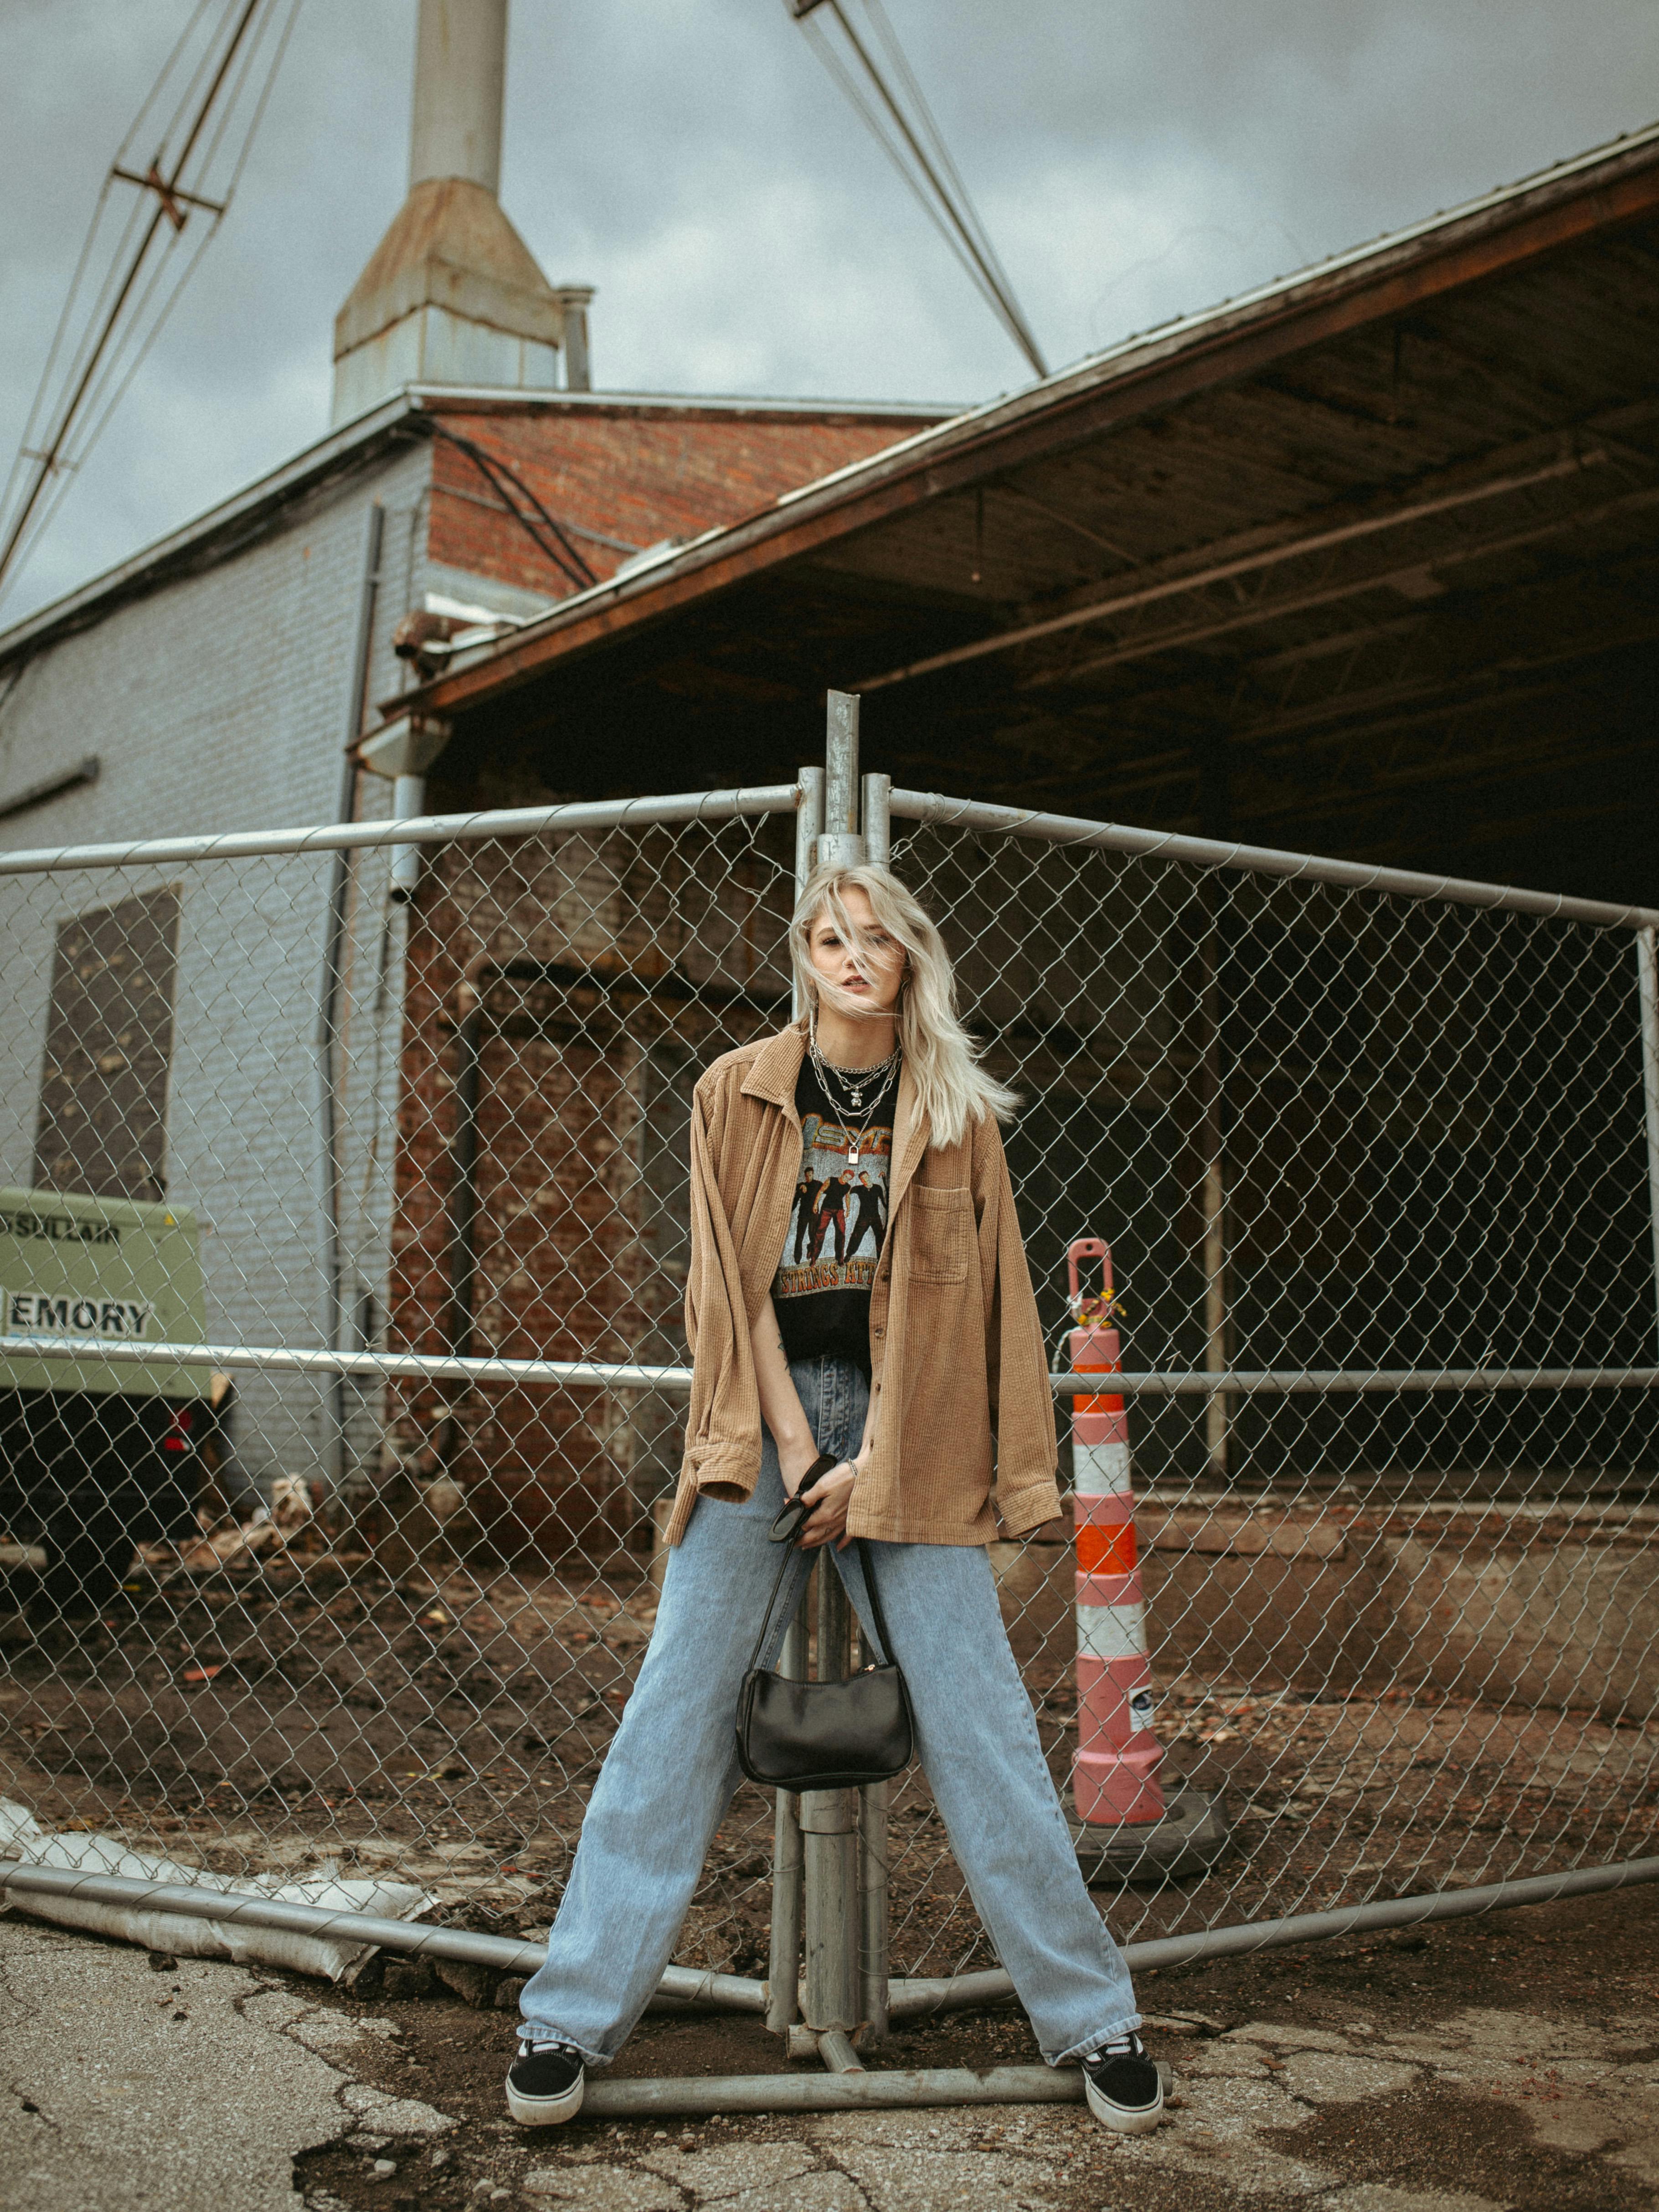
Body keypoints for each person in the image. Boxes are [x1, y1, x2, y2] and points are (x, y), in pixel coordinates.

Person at [505, 863, 1163, 2136]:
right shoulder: (733, 1090)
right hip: (767, 1426)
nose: (849, 956)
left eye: (873, 939)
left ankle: (1095, 2023)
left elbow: (986, 1314)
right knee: (674, 1714)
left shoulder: (960, 1114)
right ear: (802, 957)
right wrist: (805, 1453)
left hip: (911, 1434)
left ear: (911, 959)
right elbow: (726, 1287)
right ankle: (567, 2022)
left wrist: (893, 1468)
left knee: (984, 1730)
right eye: (827, 937)